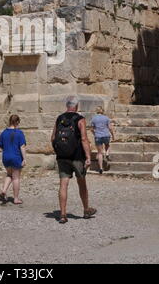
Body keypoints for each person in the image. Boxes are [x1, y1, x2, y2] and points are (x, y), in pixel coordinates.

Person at [51, 96, 97, 224]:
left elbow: (53, 138)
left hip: (62, 157)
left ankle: (63, 215)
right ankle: (86, 210)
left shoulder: (59, 118)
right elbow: (83, 139)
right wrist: (88, 156)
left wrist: (59, 151)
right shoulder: (80, 119)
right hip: (77, 157)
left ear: (67, 105)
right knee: (81, 183)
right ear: (76, 106)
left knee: (63, 184)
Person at [0, 115, 27, 205]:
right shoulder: (19, 133)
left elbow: (0, 145)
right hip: (16, 157)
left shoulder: (3, 133)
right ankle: (16, 199)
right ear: (17, 122)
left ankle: (4, 190)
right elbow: (22, 146)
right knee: (16, 178)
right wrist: (24, 158)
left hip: (5, 157)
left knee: (9, 174)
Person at [91, 106, 115, 175]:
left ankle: (101, 168)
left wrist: (95, 134)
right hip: (106, 135)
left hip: (98, 136)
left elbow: (92, 129)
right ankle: (107, 153)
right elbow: (110, 128)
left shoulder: (93, 118)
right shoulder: (106, 118)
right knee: (107, 145)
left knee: (100, 153)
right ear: (102, 111)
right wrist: (113, 136)